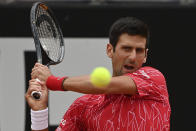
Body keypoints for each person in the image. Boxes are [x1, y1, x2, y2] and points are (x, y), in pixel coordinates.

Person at [26, 17, 171, 131]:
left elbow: (105, 85)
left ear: (145, 55)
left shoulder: (154, 79)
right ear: (110, 50)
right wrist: (39, 112)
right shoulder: (84, 107)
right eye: (126, 48)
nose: (133, 56)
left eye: (139, 50)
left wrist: (52, 81)